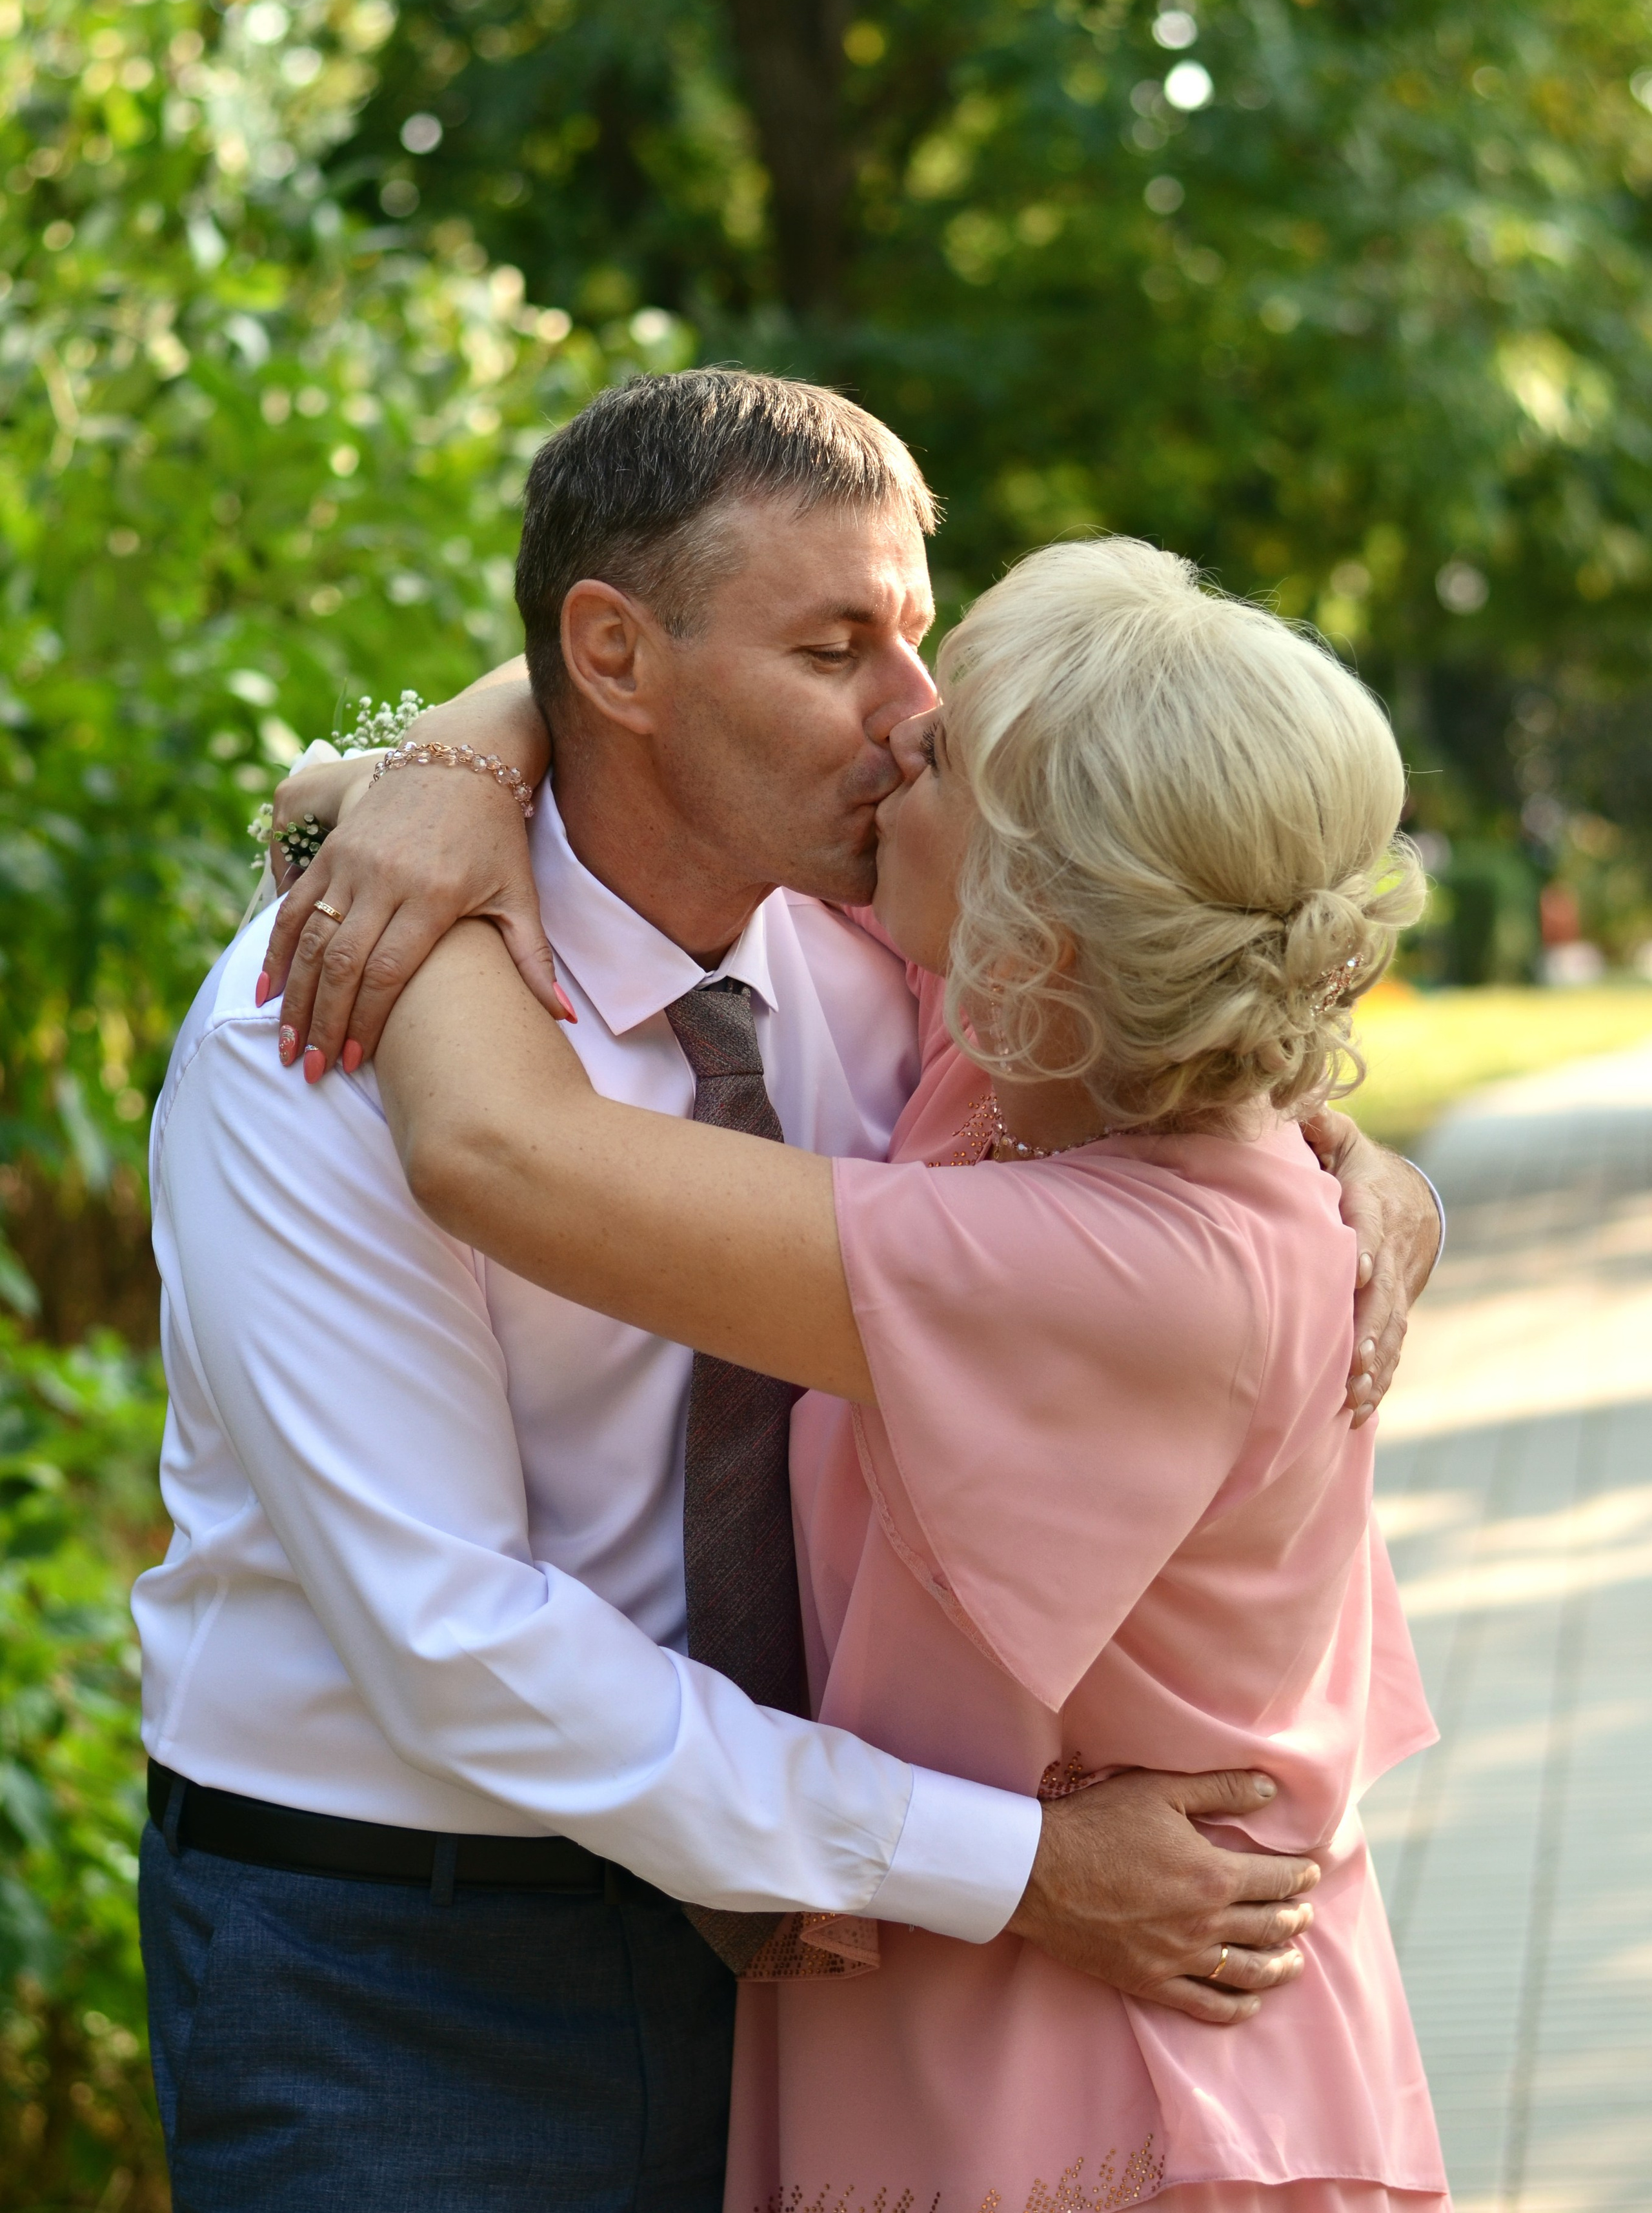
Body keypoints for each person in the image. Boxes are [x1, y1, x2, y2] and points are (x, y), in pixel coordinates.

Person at [142, 373, 1436, 2212]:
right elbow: (454, 1639)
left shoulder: (892, 954)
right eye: (838, 648)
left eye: (918, 640)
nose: (914, 725)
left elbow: (1162, 1010)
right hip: (409, 1970)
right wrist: (385, 790)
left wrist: (1346, 1148)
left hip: (869, 1957)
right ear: (613, 656)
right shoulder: (332, 1019)